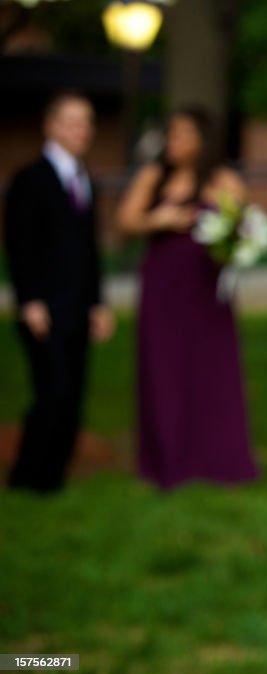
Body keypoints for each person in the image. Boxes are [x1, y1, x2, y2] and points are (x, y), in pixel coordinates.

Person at [115, 107, 258, 490]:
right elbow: (125, 221)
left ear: (201, 140)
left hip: (207, 291)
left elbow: (245, 230)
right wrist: (157, 220)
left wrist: (229, 242)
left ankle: (217, 459)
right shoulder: (155, 175)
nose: (172, 141)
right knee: (164, 368)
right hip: (164, 288)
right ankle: (166, 460)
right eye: (170, 133)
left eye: (181, 134)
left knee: (211, 370)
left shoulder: (223, 180)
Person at [3, 91, 114, 492]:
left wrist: (99, 303)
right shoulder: (29, 179)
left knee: (72, 397)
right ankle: (28, 476)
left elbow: (89, 249)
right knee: (51, 392)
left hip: (78, 307)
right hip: (43, 307)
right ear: (50, 126)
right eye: (71, 121)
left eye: (86, 122)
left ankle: (55, 475)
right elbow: (20, 245)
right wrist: (30, 299)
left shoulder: (84, 179)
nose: (81, 130)